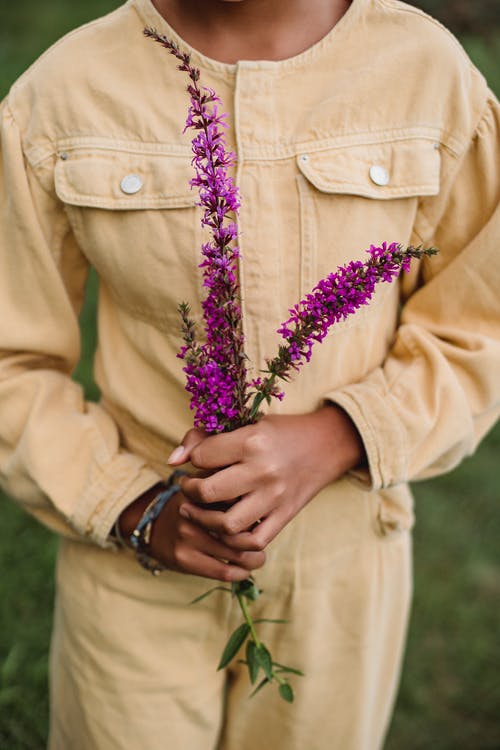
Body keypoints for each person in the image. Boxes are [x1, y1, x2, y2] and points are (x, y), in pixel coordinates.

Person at [0, 0, 499, 748]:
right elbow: (14, 360)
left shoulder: (426, 74)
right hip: (136, 562)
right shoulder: (65, 91)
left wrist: (343, 434)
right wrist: (130, 505)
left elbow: (479, 326)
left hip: (343, 566)